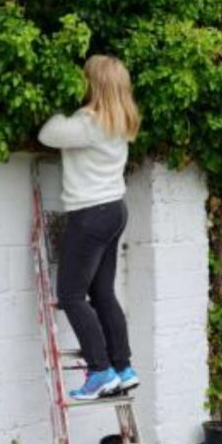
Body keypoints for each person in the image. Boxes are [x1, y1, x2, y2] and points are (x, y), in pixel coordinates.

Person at [37, 54, 140, 400]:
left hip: (90, 214)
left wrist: (65, 102)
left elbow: (47, 133)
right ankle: (123, 367)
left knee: (71, 295)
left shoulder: (88, 123)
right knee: (102, 293)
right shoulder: (119, 122)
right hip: (114, 211)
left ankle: (99, 371)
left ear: (92, 85)